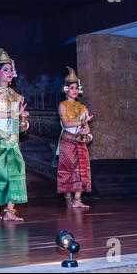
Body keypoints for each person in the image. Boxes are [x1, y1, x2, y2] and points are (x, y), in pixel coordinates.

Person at [0, 47, 29, 221]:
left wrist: (23, 125)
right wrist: (15, 114)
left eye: (11, 69)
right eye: (5, 69)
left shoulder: (17, 96)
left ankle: (10, 211)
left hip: (11, 139)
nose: (9, 72)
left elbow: (17, 121)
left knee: (16, 173)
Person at [56, 66, 94, 208]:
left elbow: (86, 128)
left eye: (76, 88)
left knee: (81, 169)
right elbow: (66, 123)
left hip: (79, 140)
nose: (75, 90)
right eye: (72, 87)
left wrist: (87, 134)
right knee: (69, 169)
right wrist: (84, 121)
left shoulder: (83, 107)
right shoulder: (63, 105)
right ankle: (68, 195)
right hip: (67, 140)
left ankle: (77, 200)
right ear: (66, 89)